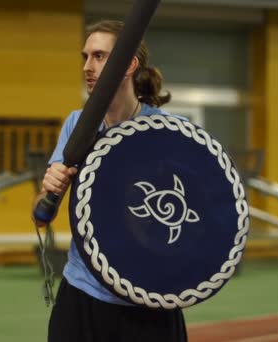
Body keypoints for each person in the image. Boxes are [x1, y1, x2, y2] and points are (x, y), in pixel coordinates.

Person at [32, 20, 188, 342]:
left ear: (129, 64)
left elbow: (194, 215)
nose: (88, 67)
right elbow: (41, 215)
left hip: (150, 296)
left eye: (100, 56)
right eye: (85, 56)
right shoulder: (78, 124)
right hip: (83, 291)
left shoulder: (170, 131)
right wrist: (51, 187)